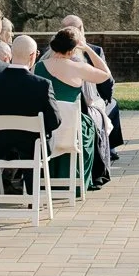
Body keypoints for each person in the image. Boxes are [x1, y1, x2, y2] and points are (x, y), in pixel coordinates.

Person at [0, 35, 62, 192]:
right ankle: (32, 192)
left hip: (0, 147)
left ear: (12, 53)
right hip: (33, 149)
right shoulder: (42, 85)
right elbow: (55, 121)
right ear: (32, 56)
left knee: (23, 141)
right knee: (39, 140)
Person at [41, 28, 113, 187]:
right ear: (72, 50)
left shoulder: (38, 67)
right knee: (90, 127)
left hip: (46, 129)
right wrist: (87, 48)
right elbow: (105, 74)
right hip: (71, 129)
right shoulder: (78, 67)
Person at [62, 15, 123, 157]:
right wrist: (106, 99)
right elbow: (107, 81)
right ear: (81, 30)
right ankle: (110, 146)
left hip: (63, 104)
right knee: (112, 104)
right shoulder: (93, 51)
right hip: (87, 103)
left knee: (111, 103)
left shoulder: (49, 52)